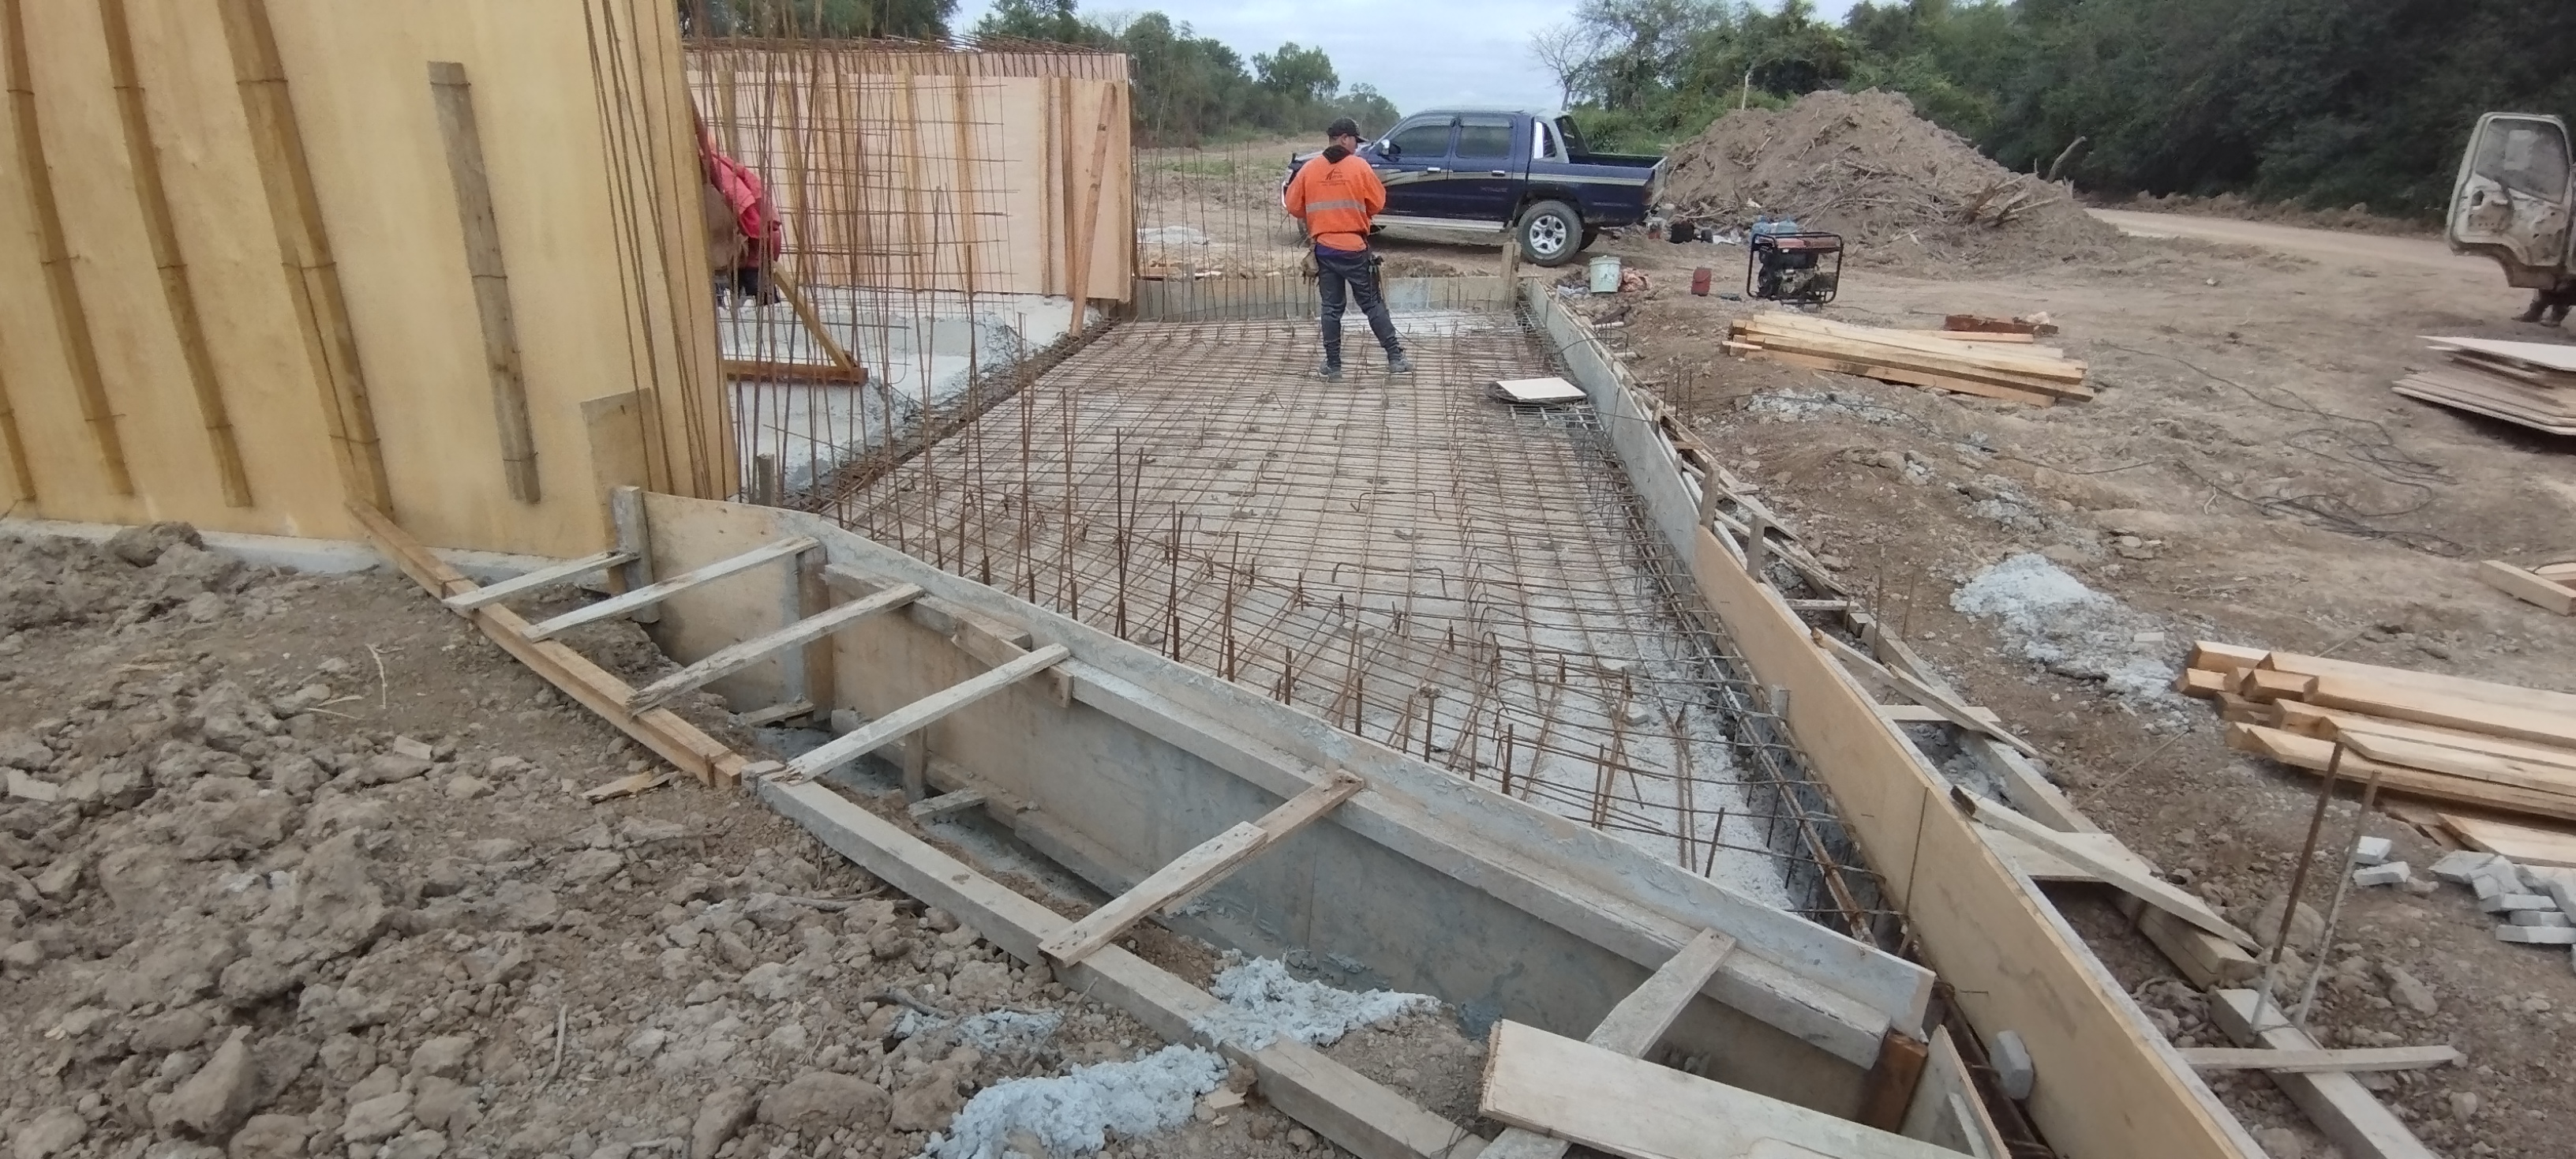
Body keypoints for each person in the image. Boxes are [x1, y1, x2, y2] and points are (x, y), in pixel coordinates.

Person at [1282, 117, 1413, 380]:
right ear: (1344, 139)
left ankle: (1333, 366)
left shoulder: (1309, 169)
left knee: (1331, 309)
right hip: (1354, 249)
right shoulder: (1359, 167)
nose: (1357, 146)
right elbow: (1377, 203)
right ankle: (1395, 358)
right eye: (1355, 141)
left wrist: (1319, 212)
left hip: (1325, 250)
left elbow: (1293, 206)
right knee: (1372, 304)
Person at [698, 122, 781, 305]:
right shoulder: (725, 168)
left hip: (736, 253)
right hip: (753, 252)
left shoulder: (717, 172)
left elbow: (745, 207)